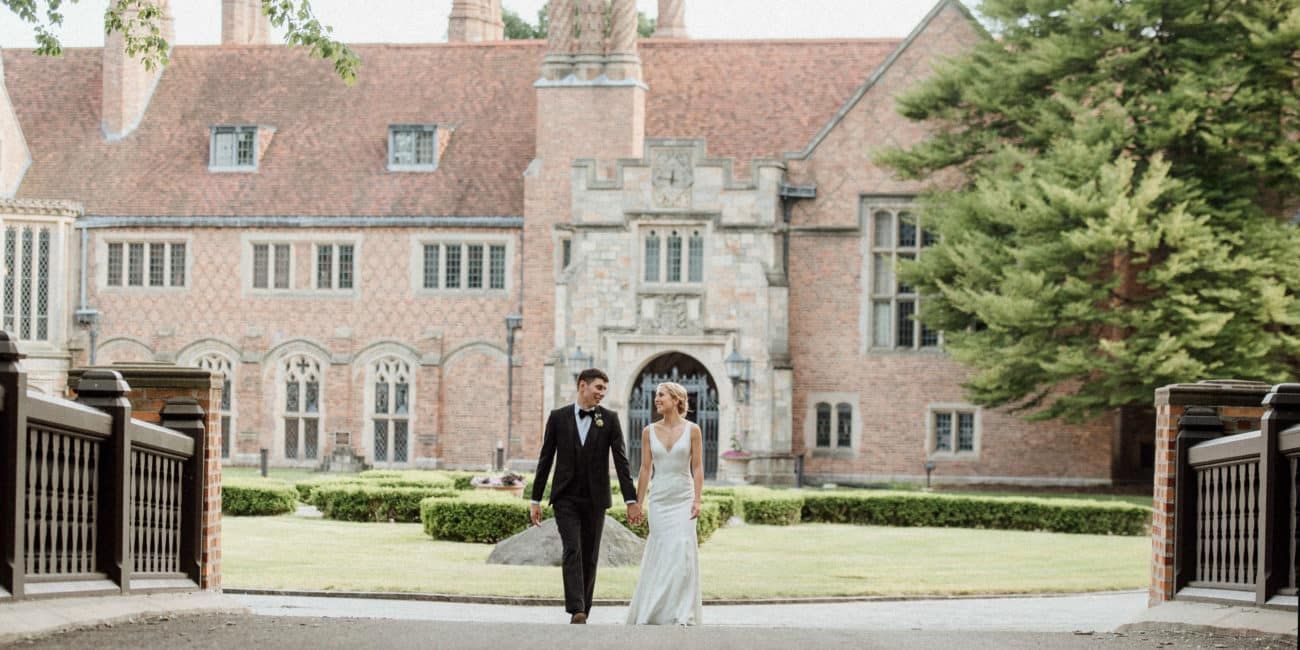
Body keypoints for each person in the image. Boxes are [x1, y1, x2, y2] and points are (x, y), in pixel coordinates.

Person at [530, 368, 642, 624]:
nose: (602, 393)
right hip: (565, 498)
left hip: (595, 498)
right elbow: (545, 460)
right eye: (598, 388)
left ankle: (584, 609)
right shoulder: (558, 418)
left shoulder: (610, 419)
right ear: (583, 386)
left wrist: (631, 500)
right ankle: (576, 607)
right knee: (572, 548)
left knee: (590, 554)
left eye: (604, 389)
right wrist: (535, 500)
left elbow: (621, 462)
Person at [624, 381, 704, 626]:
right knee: (660, 551)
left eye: (661, 395)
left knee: (681, 551)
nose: (656, 399)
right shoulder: (648, 431)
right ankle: (654, 610)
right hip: (659, 499)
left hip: (683, 497)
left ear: (676, 399)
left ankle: (681, 612)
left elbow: (698, 466)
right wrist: (638, 502)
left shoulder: (693, 430)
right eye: (656, 395)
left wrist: (698, 499)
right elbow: (645, 468)